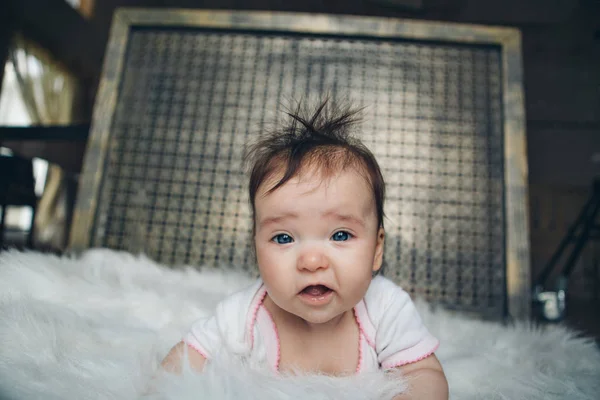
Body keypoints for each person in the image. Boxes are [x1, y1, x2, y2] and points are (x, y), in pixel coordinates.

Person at [161, 99, 449, 399]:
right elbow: (182, 363)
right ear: (256, 248)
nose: (311, 261)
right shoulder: (243, 316)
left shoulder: (385, 308)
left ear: (377, 250)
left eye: (340, 235)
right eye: (284, 238)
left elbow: (423, 375)